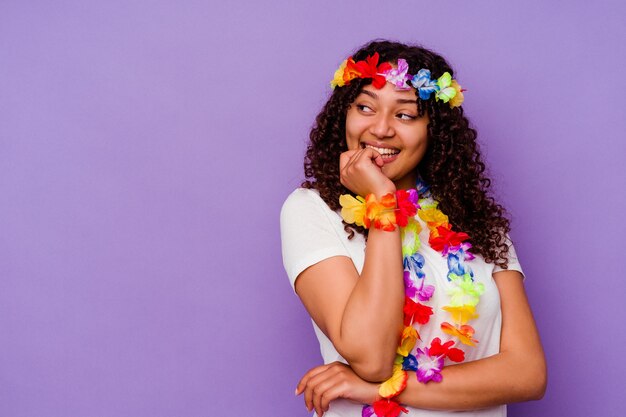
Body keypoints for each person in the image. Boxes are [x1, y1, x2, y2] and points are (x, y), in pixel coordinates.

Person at [280, 40, 546, 417]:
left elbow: (526, 374)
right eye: (365, 107)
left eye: (405, 115)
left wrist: (380, 389)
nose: (381, 129)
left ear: (433, 128)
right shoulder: (312, 210)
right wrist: (382, 202)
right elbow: (372, 358)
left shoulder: (477, 222)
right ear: (344, 113)